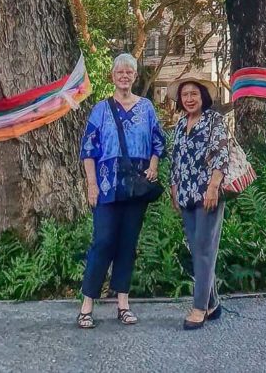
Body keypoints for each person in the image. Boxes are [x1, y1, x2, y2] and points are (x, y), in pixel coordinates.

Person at [77, 52, 165, 329]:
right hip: (105, 186)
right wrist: (91, 184)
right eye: (120, 72)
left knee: (128, 243)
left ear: (135, 77)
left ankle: (123, 303)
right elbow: (88, 150)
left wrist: (154, 166)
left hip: (135, 188)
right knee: (102, 241)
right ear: (112, 77)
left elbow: (157, 142)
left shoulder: (147, 107)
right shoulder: (101, 109)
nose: (124, 76)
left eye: (129, 72)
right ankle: (87, 304)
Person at [169, 73, 229, 330]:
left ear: (202, 97)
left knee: (204, 250)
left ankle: (199, 308)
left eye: (194, 94)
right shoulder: (181, 124)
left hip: (207, 195)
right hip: (185, 195)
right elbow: (176, 159)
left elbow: (221, 153)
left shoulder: (215, 120)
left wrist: (214, 186)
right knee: (197, 250)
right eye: (185, 95)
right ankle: (213, 302)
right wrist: (173, 188)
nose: (190, 98)